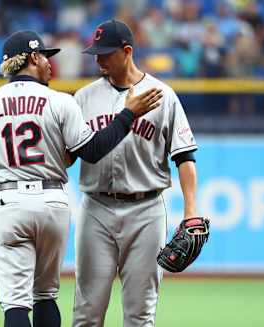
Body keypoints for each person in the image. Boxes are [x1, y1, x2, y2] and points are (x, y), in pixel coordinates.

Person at [0, 30, 162, 327]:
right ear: (32, 57)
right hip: (53, 204)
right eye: (45, 56)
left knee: (16, 303)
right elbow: (93, 151)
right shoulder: (60, 102)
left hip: (10, 203)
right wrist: (127, 115)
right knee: (45, 295)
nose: (49, 63)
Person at [72, 20, 199, 327]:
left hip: (147, 210)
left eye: (106, 53)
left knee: (140, 315)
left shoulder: (162, 95)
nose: (98, 59)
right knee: (87, 312)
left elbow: (184, 156)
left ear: (127, 51)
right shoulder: (84, 97)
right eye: (95, 53)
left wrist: (191, 211)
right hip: (97, 209)